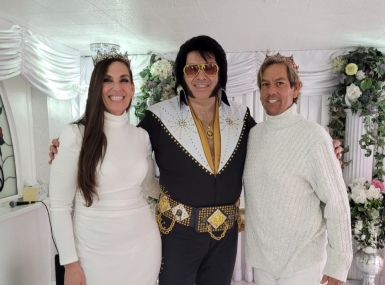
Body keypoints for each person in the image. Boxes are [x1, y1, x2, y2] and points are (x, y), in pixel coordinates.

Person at [49, 36, 344, 285]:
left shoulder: (240, 116)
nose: (201, 75)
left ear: (220, 72)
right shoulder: (158, 117)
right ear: (182, 73)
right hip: (177, 235)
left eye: (209, 67)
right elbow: (121, 146)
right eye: (192, 68)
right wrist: (71, 148)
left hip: (225, 238)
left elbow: (272, 140)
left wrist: (324, 147)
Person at [49, 50, 161, 285]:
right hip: (94, 253)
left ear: (132, 89)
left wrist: (193, 184)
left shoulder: (142, 137)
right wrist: (69, 263)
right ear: (96, 88)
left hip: (144, 248)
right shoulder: (75, 135)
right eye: (107, 80)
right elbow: (59, 205)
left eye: (124, 80)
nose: (116, 88)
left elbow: (150, 187)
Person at [243, 54, 353, 285]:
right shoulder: (253, 136)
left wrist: (339, 262)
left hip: (302, 264)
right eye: (265, 84)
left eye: (279, 83)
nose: (271, 91)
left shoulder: (314, 137)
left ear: (295, 88)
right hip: (262, 261)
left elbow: (337, 202)